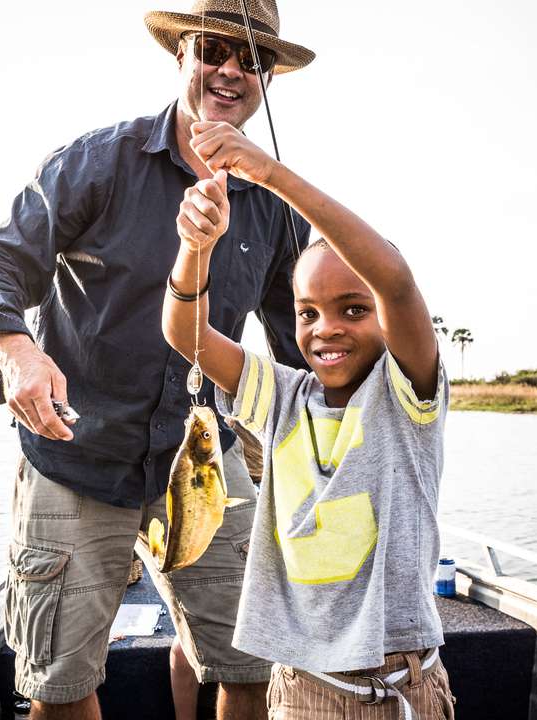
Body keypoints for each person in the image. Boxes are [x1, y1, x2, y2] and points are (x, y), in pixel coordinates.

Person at [0, 2, 315, 719]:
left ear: (269, 77)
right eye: (215, 48)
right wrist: (16, 349)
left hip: (207, 463)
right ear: (180, 54)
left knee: (252, 668)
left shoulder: (279, 207)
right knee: (61, 690)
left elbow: (301, 348)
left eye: (253, 59)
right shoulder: (97, 161)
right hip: (76, 457)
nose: (231, 71)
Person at [161, 123, 456, 718]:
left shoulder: (407, 398)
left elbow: (395, 281)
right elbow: (183, 332)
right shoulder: (283, 397)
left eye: (353, 309)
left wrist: (269, 175)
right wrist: (196, 249)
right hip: (302, 689)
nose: (325, 328)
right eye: (307, 312)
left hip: (405, 685)